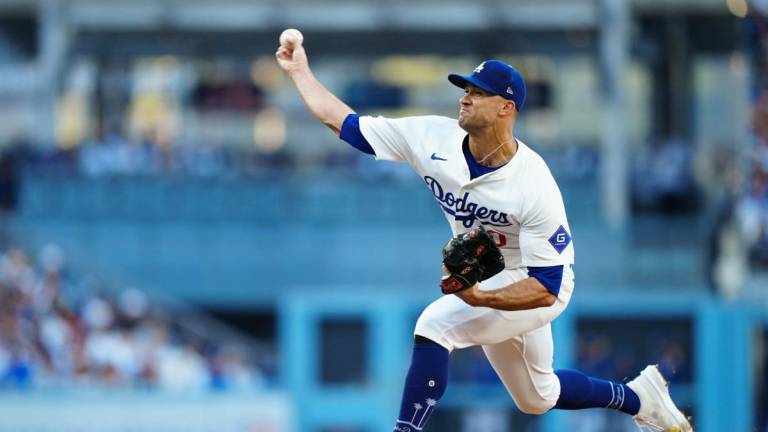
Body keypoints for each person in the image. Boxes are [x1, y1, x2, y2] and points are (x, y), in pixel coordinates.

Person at [276, 37, 693, 432]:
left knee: (436, 325)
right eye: (465, 88)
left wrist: (482, 299)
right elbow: (344, 124)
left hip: (537, 281)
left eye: (478, 92)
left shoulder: (534, 184)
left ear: (505, 108)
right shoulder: (431, 137)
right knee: (536, 395)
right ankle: (639, 397)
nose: (465, 96)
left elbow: (547, 287)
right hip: (489, 271)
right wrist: (300, 73)